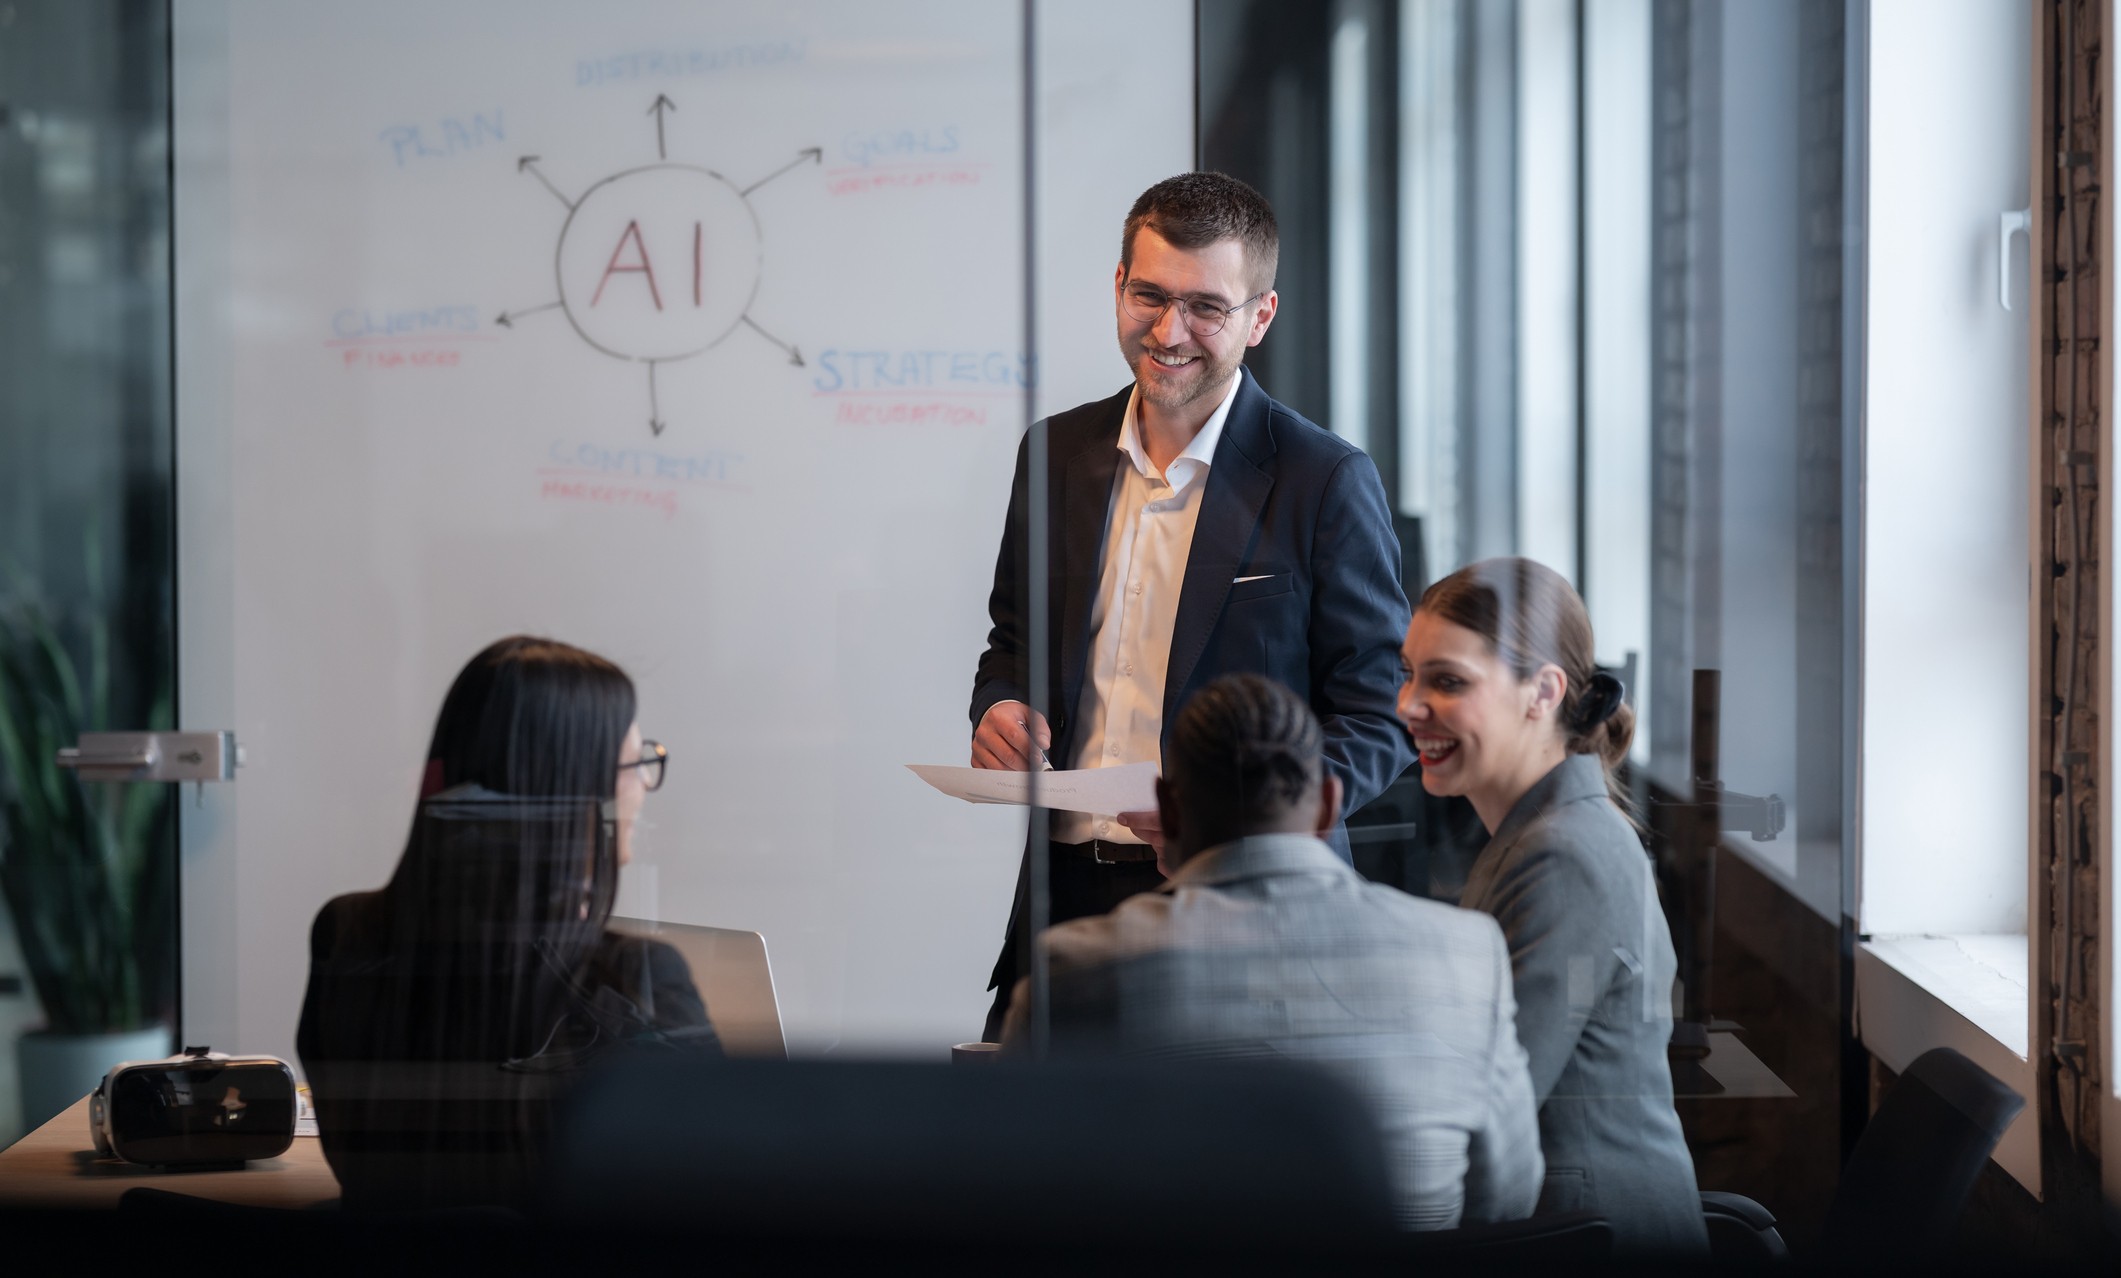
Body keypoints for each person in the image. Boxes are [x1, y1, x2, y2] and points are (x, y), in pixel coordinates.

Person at [970, 172, 1414, 1037]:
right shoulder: (1054, 452)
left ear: (1260, 316)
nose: (1169, 332)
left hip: (1246, 911)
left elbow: (1380, 714)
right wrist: (999, 706)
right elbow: (1013, 638)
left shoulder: (1324, 478)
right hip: (1063, 900)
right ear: (1118, 287)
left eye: (1206, 307)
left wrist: (1256, 814)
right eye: (1149, 296)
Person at [999, 673, 1543, 1231]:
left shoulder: (1076, 971)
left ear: (1168, 809)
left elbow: (1018, 1191)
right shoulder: (1468, 953)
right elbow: (1506, 1204)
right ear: (1329, 804)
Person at [295, 636, 718, 1211]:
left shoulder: (347, 935)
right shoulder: (632, 977)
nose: (644, 786)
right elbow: (709, 1187)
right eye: (635, 764)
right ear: (575, 786)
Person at [1398, 558, 1707, 1255]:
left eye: (1447, 681)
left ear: (1542, 692)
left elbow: (1489, 1105)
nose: (1408, 705)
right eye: (1408, 674)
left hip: (1585, 1235)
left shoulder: (1562, 854)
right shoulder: (1538, 834)